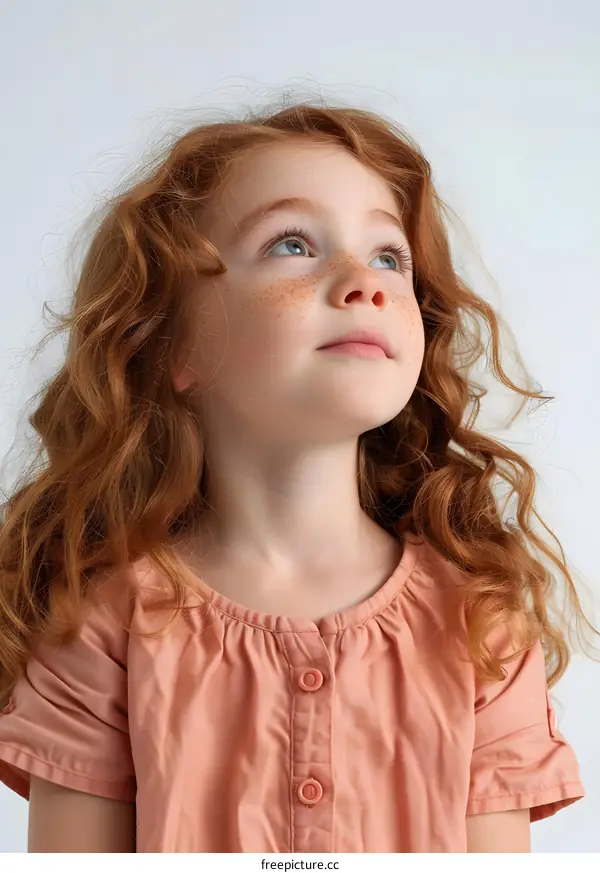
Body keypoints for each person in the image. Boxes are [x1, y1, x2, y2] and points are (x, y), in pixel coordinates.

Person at [0, 100, 591, 854]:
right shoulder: (99, 626)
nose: (365, 282)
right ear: (173, 346)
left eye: (389, 256)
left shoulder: (480, 627)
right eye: (293, 243)